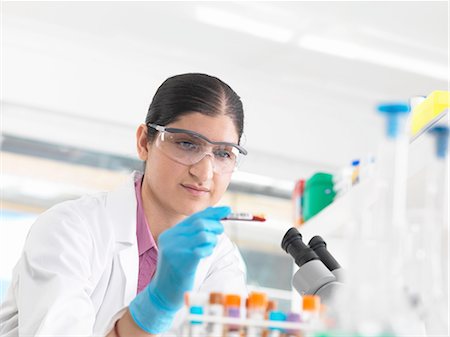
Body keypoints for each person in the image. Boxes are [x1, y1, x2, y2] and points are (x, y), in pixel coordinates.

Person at [0, 73, 249, 336]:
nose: (205, 172)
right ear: (144, 142)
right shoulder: (69, 229)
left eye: (223, 153)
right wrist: (154, 308)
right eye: (187, 144)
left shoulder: (222, 260)